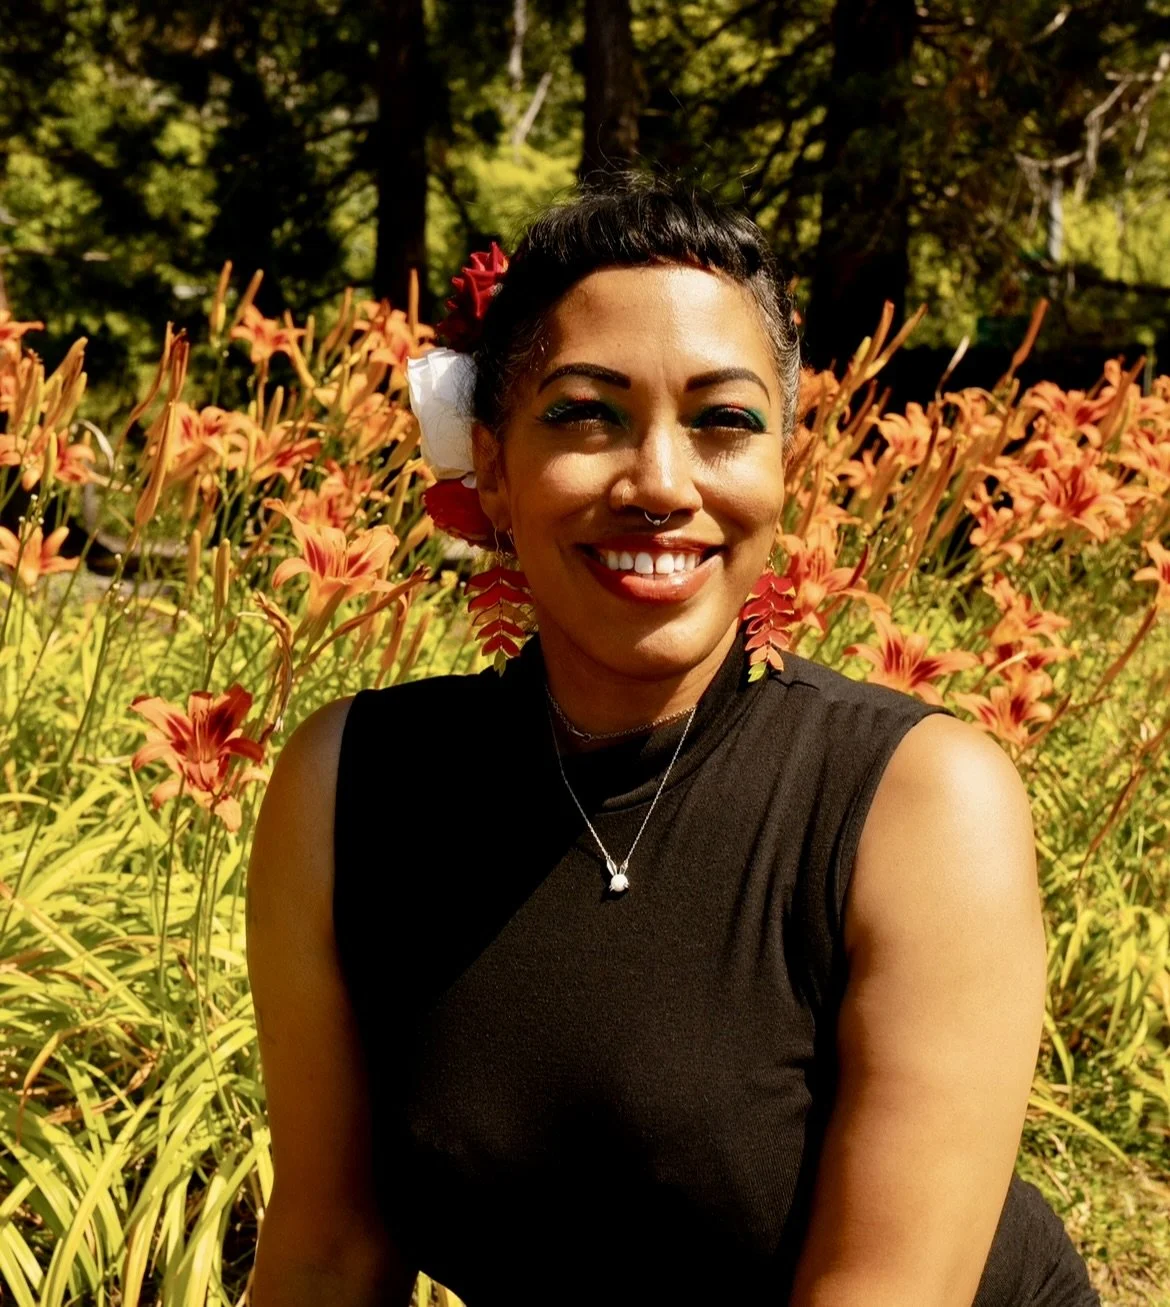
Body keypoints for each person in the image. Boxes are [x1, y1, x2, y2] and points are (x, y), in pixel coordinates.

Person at [245, 173, 1101, 1306]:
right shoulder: (352, 785)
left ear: (783, 469)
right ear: (491, 465)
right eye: (586, 412)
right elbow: (325, 1254)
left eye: (724, 421)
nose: (660, 480)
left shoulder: (919, 802)